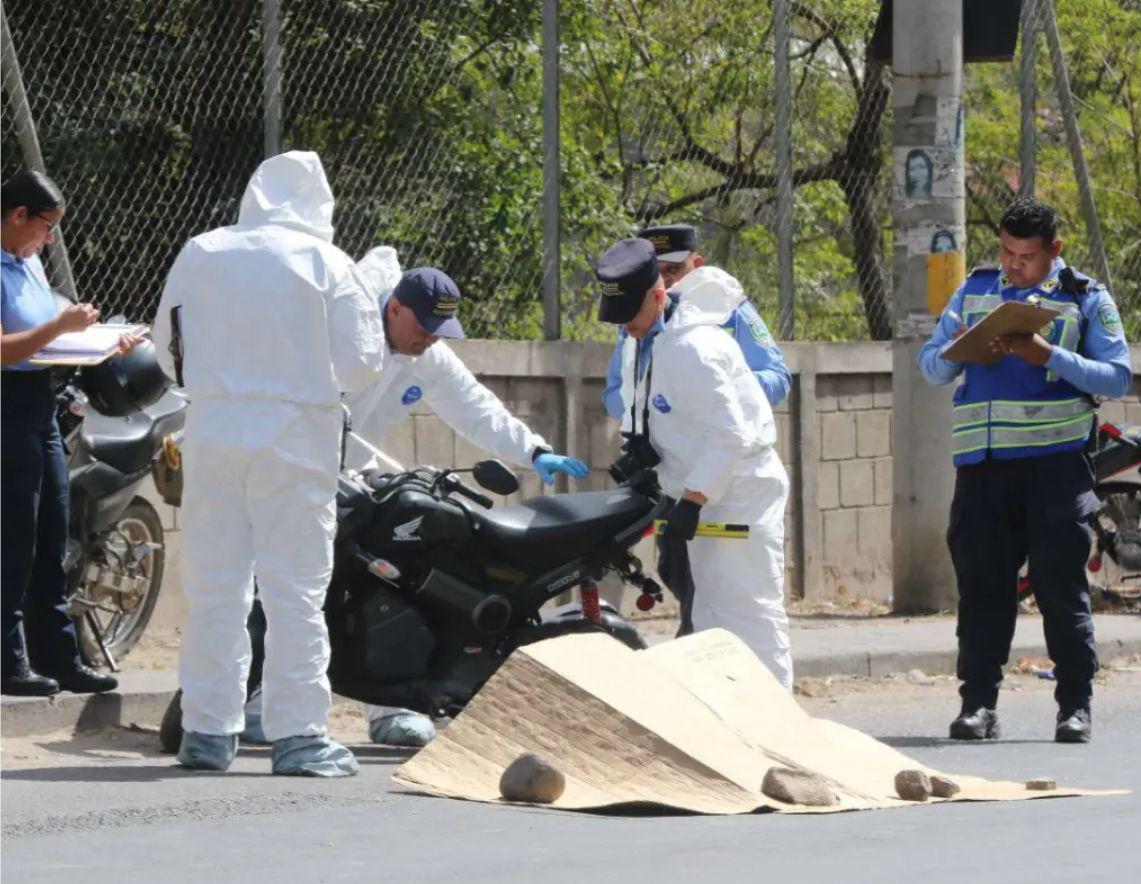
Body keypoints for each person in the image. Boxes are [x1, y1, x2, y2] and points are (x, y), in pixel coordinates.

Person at [280, 249, 589, 748]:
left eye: (439, 330)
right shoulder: (341, 329)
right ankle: (258, 702)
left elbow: (474, 407)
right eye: (423, 327)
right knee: (282, 591)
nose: (430, 338)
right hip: (293, 471)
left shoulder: (425, 354)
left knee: (381, 588)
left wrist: (534, 451)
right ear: (394, 309)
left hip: (351, 478)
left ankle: (389, 708)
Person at [152, 151, 385, 776]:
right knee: (294, 592)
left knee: (214, 589)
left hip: (212, 430)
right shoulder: (328, 262)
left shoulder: (202, 251)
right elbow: (363, 364)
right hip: (296, 437)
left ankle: (206, 732)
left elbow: (166, 350)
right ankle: (299, 736)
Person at [919, 198, 1132, 744]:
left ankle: (1074, 706)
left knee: (1060, 587)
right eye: (1007, 252)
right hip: (984, 468)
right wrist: (963, 351)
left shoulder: (1084, 297)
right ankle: (978, 705)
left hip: (1055, 467)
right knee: (982, 590)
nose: (1014, 265)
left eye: (1027, 256)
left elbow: (1117, 376)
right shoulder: (975, 291)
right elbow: (931, 366)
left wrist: (1048, 356)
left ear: (1054, 250)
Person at [594, 237, 793, 688]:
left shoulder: (696, 347)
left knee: (752, 618)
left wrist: (693, 499)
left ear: (659, 295)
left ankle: (779, 720)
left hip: (737, 497)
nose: (626, 327)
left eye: (630, 316)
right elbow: (656, 413)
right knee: (709, 621)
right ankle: (730, 721)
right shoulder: (646, 340)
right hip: (699, 496)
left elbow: (731, 435)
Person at [1, 170, 128, 697]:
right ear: (18, 215)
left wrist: (98, 339)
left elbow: (43, 333)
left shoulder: (26, 262)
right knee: (14, 535)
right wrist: (59, 328)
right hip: (6, 405)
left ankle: (59, 656)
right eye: (46, 225)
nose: (49, 239)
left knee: (54, 528)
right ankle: (8, 661)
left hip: (39, 402)